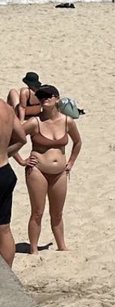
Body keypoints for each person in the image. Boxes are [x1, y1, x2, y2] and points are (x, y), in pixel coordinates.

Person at [13, 85, 82, 253]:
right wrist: (22, 160)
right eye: (41, 96)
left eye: (48, 95)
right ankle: (34, 249)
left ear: (57, 98)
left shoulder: (67, 121)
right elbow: (10, 139)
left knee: (57, 213)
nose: (45, 98)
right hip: (37, 171)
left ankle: (62, 247)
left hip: (60, 173)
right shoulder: (34, 122)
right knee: (37, 211)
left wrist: (71, 162)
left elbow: (78, 142)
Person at [0, 100, 27, 267]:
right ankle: (6, 278)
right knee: (3, 228)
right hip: (4, 171)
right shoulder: (5, 108)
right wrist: (5, 153)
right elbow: (22, 138)